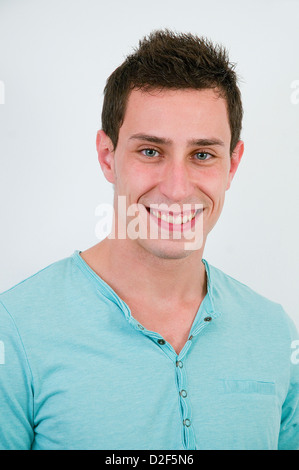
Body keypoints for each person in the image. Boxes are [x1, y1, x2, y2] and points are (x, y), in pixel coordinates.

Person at [0, 30, 298, 451]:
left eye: (202, 155)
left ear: (233, 164)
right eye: (151, 152)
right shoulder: (14, 333)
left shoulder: (274, 332)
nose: (177, 189)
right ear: (108, 156)